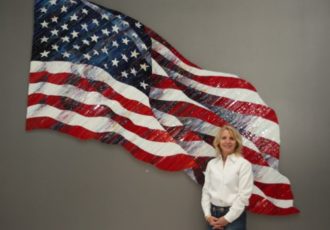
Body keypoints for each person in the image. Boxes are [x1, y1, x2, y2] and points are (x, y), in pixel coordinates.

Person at [201, 125, 254, 230]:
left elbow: (243, 196)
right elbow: (206, 191)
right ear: (218, 142)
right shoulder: (212, 164)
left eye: (232, 138)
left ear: (236, 142)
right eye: (224, 138)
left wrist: (227, 218)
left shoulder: (244, 164)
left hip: (235, 215)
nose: (227, 141)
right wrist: (207, 215)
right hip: (213, 215)